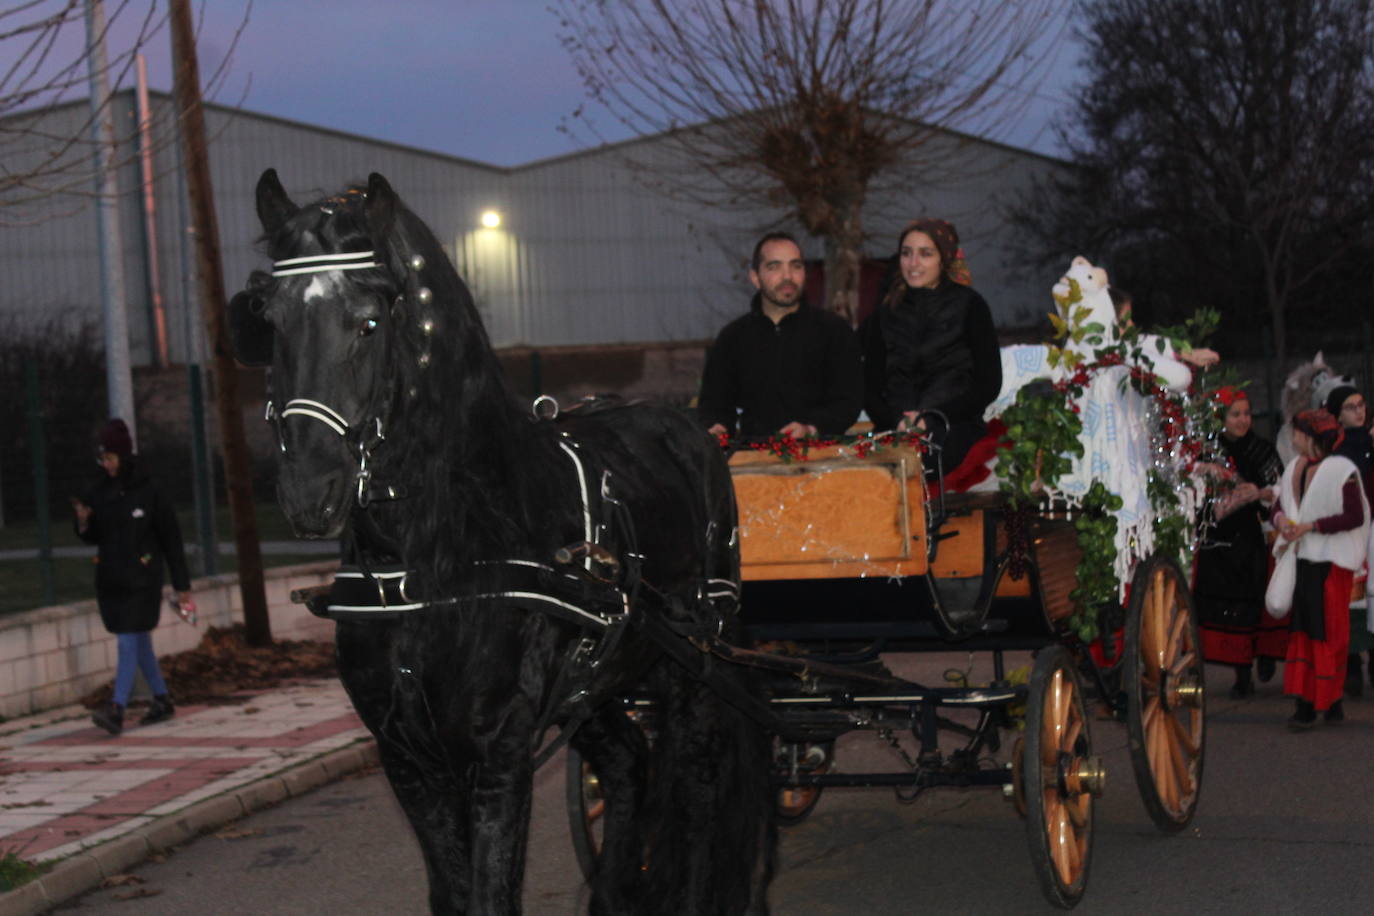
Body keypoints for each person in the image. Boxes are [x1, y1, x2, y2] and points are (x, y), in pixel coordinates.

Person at [73, 419, 191, 736]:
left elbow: (171, 539)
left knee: (127, 641)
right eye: (102, 459)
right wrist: (84, 522)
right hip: (111, 578)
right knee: (138, 643)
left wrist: (182, 586)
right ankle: (162, 700)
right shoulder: (97, 490)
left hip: (142, 579)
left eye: (110, 458)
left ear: (123, 456)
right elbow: (92, 536)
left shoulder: (149, 489)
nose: (106, 465)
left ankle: (117, 709)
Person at [860, 219, 1001, 471]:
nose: (913, 263)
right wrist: (897, 420)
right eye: (907, 253)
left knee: (922, 462)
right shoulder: (885, 314)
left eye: (925, 254)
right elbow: (870, 386)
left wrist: (932, 418)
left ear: (944, 259)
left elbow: (988, 383)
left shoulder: (970, 306)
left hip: (953, 426)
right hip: (894, 429)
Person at [698, 232, 863, 439]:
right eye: (774, 266)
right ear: (755, 278)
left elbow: (848, 401)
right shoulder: (733, 338)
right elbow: (714, 404)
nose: (787, 276)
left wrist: (812, 428)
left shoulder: (834, 331)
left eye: (795, 266)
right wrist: (717, 428)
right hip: (753, 460)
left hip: (823, 458)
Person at [1271, 409, 1370, 729]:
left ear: (1309, 436)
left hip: (1332, 561)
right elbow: (1278, 505)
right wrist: (1282, 521)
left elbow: (1354, 515)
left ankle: (1325, 700)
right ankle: (1308, 700)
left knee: (1328, 632)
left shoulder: (1342, 470)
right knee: (1304, 631)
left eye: (1296, 431)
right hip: (1305, 559)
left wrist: (1310, 526)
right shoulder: (1293, 469)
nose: (1292, 437)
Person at [1194, 387, 1284, 697]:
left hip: (1248, 537)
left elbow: (1278, 492)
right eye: (1235, 414)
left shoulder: (1263, 450)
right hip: (1215, 539)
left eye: (1246, 413)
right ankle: (1238, 669)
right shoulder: (1207, 450)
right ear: (1222, 418)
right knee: (1220, 602)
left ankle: (1256, 662)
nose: (1243, 420)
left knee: (1251, 601)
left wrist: (1259, 494)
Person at [1325, 383, 1374, 696]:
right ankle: (1353, 663)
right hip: (1354, 529)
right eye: (1351, 407)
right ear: (1338, 416)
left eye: (1361, 405)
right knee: (1353, 596)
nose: (1360, 411)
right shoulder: (1337, 446)